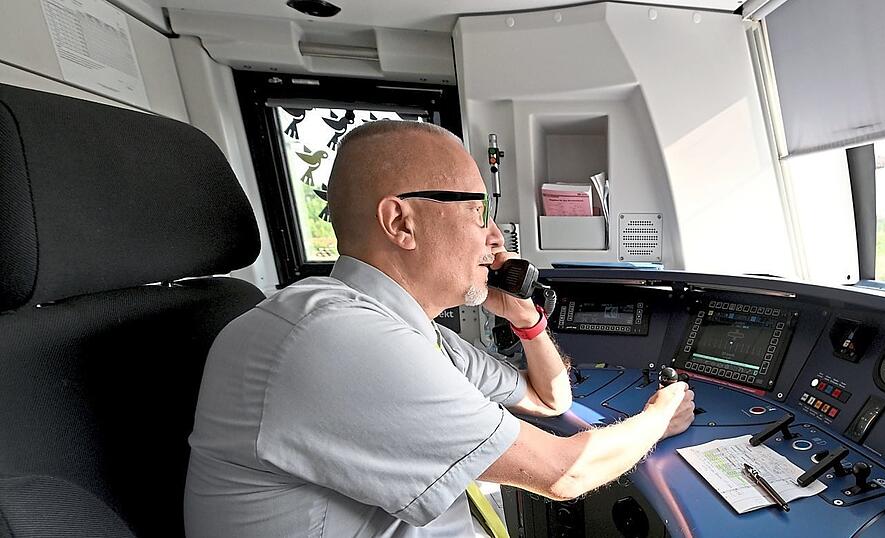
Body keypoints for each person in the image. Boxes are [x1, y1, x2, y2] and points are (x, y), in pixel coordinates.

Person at [183, 120, 695, 537]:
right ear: (401, 223)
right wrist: (659, 416)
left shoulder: (411, 331)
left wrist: (526, 320)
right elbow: (565, 472)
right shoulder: (331, 339)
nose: (494, 239)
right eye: (478, 212)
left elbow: (549, 401)